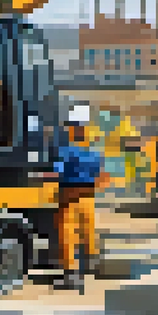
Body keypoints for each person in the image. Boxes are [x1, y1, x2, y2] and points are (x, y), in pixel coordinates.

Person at [52, 103, 107, 291]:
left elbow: (57, 171)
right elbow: (99, 173)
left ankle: (71, 276)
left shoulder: (67, 150)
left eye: (70, 125)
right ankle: (88, 268)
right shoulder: (95, 151)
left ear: (76, 127)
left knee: (67, 234)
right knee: (87, 231)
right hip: (88, 196)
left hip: (69, 195)